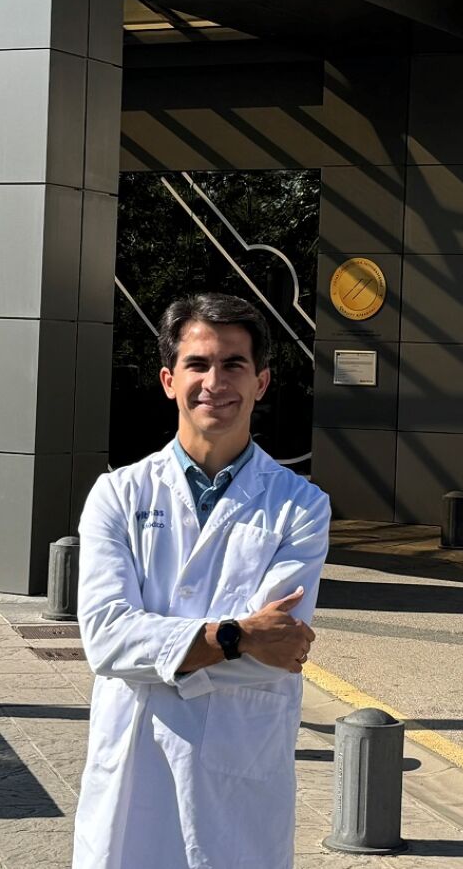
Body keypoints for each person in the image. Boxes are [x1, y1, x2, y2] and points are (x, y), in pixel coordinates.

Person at [73, 292, 331, 869]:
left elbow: (278, 651)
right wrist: (236, 636)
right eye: (198, 364)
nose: (216, 381)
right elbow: (106, 639)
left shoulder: (301, 506)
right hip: (135, 763)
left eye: (234, 363)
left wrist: (163, 650)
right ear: (169, 380)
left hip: (236, 769)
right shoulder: (118, 495)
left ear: (261, 382)